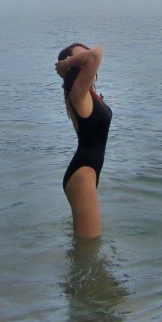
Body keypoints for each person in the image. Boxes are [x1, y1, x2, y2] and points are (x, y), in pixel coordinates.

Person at [55, 43, 112, 238]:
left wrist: (70, 62)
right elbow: (97, 53)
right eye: (81, 58)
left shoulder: (87, 93)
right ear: (72, 67)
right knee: (89, 247)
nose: (86, 59)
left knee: (87, 246)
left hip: (87, 172)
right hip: (82, 174)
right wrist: (66, 64)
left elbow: (93, 55)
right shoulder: (77, 93)